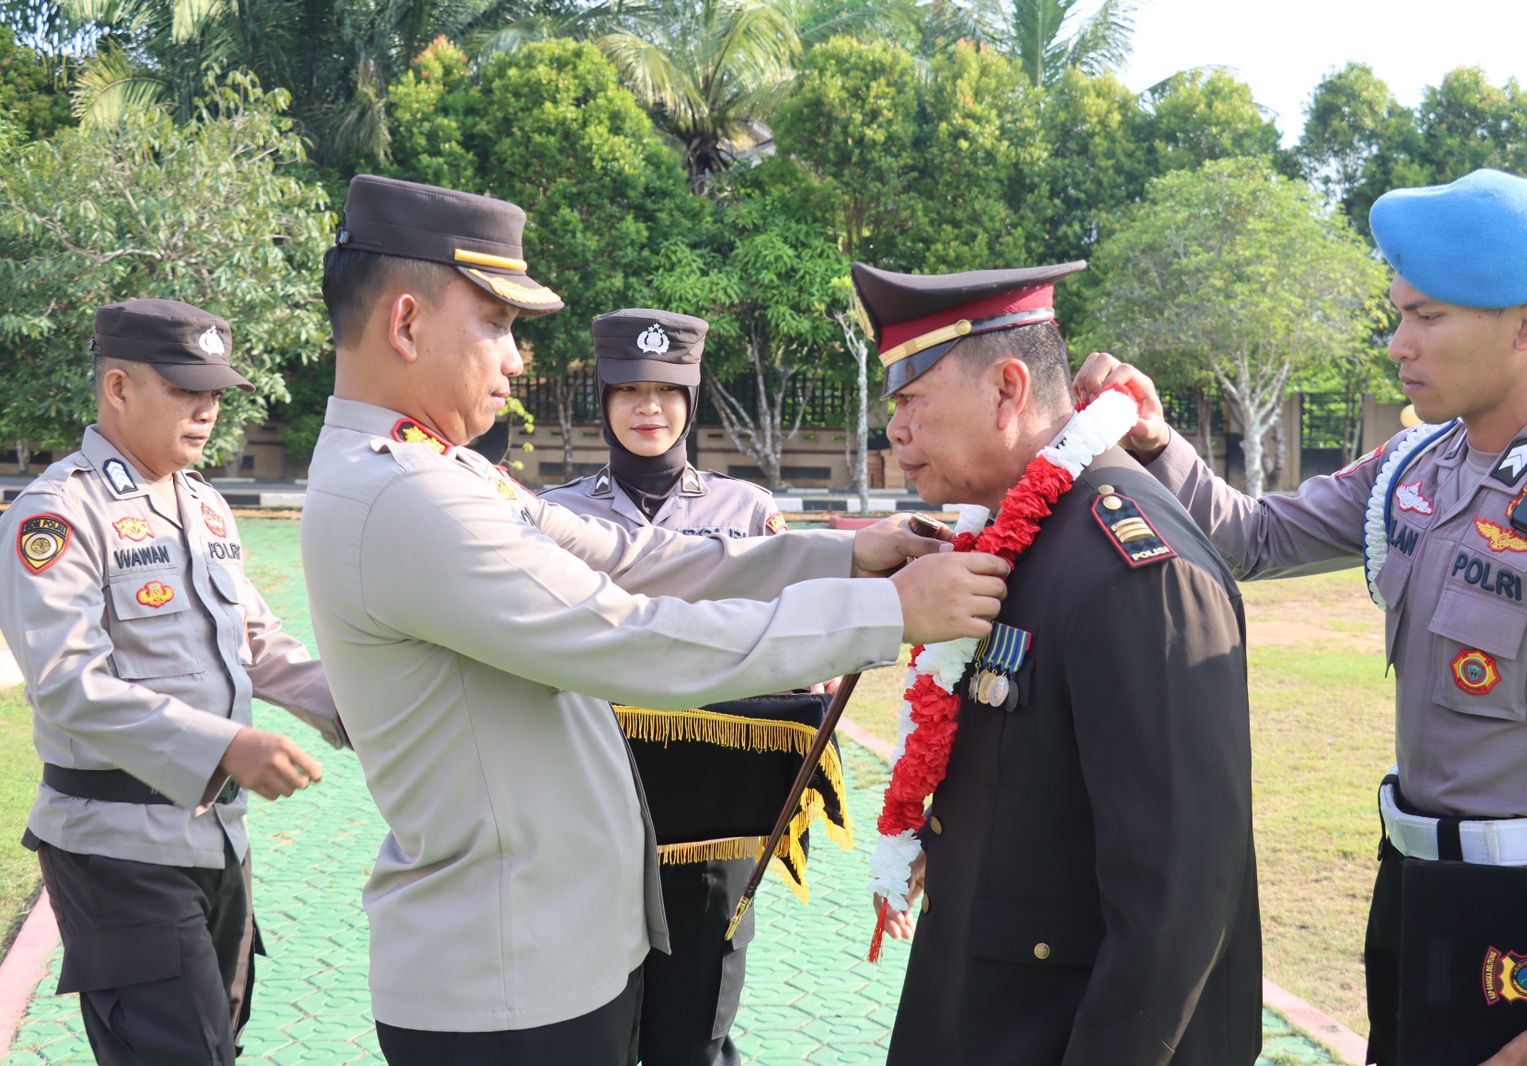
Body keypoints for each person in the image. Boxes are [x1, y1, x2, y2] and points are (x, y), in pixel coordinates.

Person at [299, 174, 1009, 1065]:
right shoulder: (405, 493)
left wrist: (845, 555)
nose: (516, 357)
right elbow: (627, 635)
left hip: (544, 949)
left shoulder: (435, 470)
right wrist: (887, 613)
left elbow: (638, 557)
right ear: (405, 323)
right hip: (509, 984)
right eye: (496, 323)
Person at [1072, 168, 1527, 1066]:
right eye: (1400, 314)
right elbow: (1254, 536)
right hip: (1410, 886)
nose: (1399, 345)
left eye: (1428, 317)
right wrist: (1158, 442)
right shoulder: (1413, 467)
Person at [855, 261, 1261, 1066]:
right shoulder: (1022, 533)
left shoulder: (1133, 565)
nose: (894, 430)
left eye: (910, 401)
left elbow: (1179, 896)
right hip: (985, 1011)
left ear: (1008, 390)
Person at [0, 298, 346, 1066]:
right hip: (116, 846)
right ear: (118, 388)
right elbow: (66, 684)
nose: (208, 412)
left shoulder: (204, 505)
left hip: (216, 837)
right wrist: (227, 745)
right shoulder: (57, 513)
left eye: (216, 394)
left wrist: (359, 709)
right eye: (187, 391)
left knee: (216, 1040)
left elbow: (256, 642)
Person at [542, 307, 798, 1066]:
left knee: (695, 1033)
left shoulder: (745, 511)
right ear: (603, 399)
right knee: (590, 1028)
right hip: (587, 802)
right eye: (628, 390)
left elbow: (785, 647)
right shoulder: (556, 515)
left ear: (691, 399)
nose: (648, 408)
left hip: (710, 817)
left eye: (666, 389)